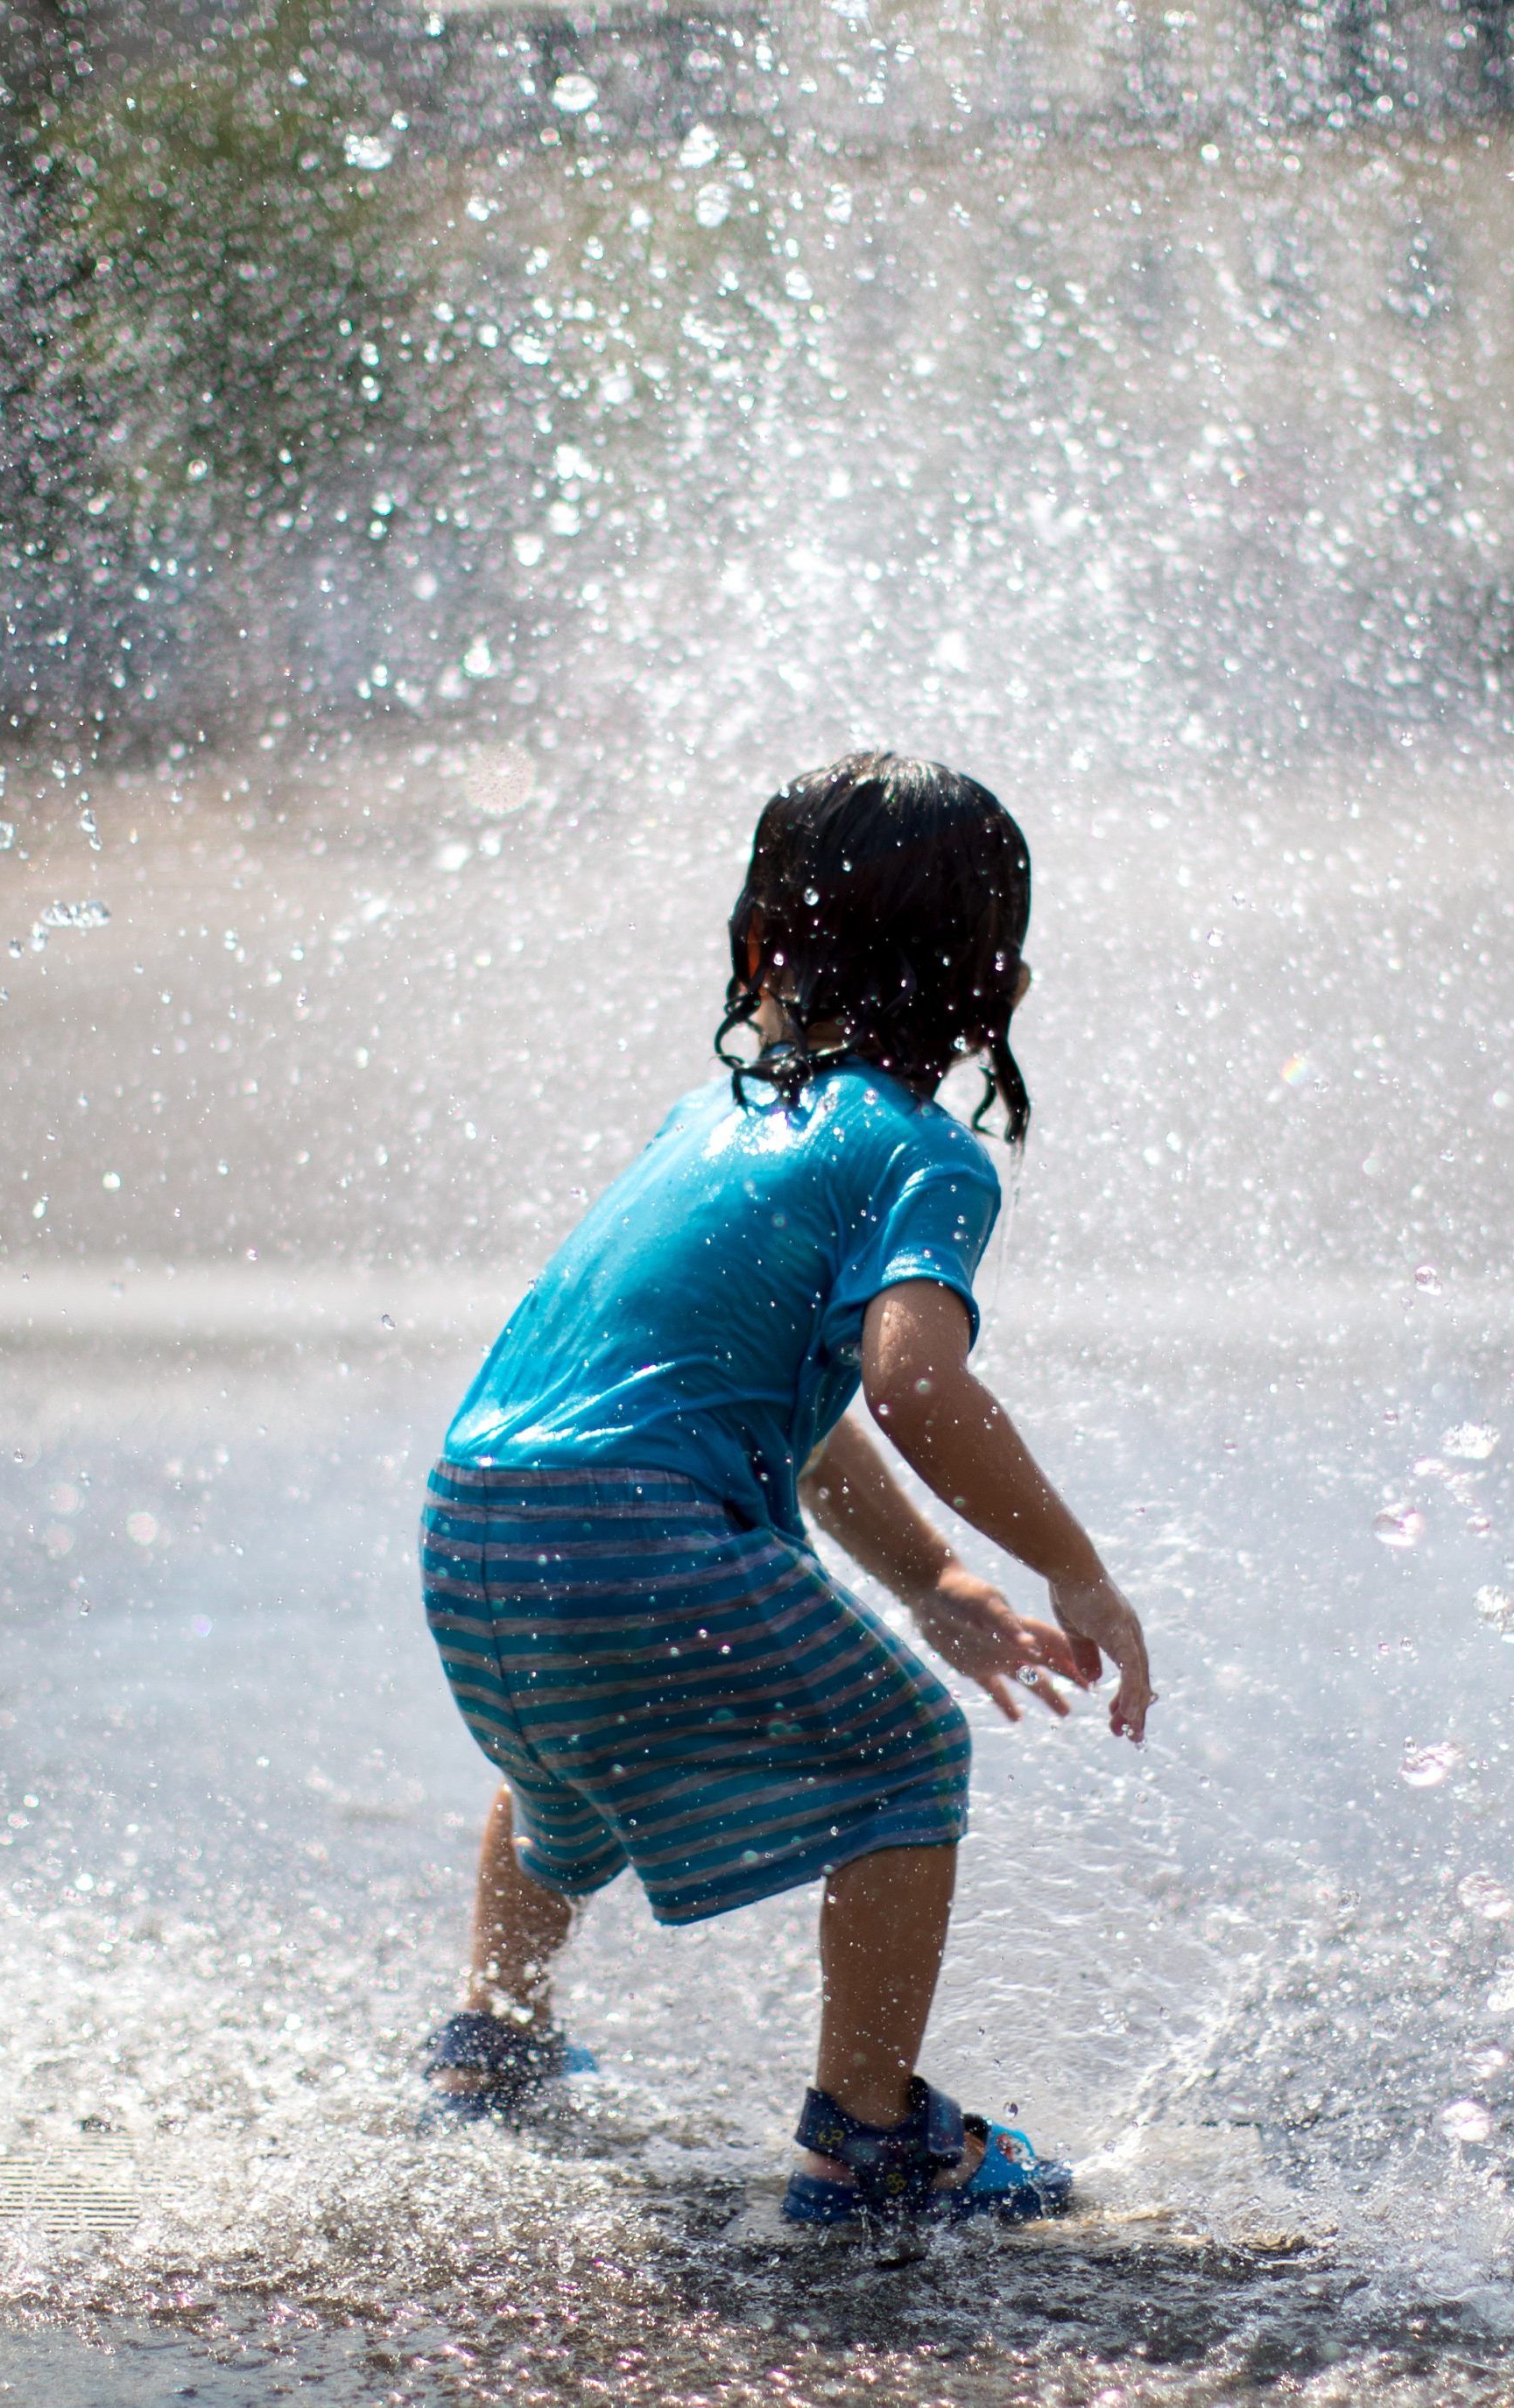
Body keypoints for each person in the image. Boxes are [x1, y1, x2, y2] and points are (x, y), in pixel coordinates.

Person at [416, 751, 1157, 2227]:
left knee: (560, 1771)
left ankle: (490, 2040)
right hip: (634, 1528)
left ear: (762, 942)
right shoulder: (920, 1153)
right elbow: (909, 1379)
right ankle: (865, 2139)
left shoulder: (699, 1128)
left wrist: (937, 1580)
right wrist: (1072, 1568)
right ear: (992, 987)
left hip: (472, 1515)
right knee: (904, 1762)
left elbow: (798, 1423)